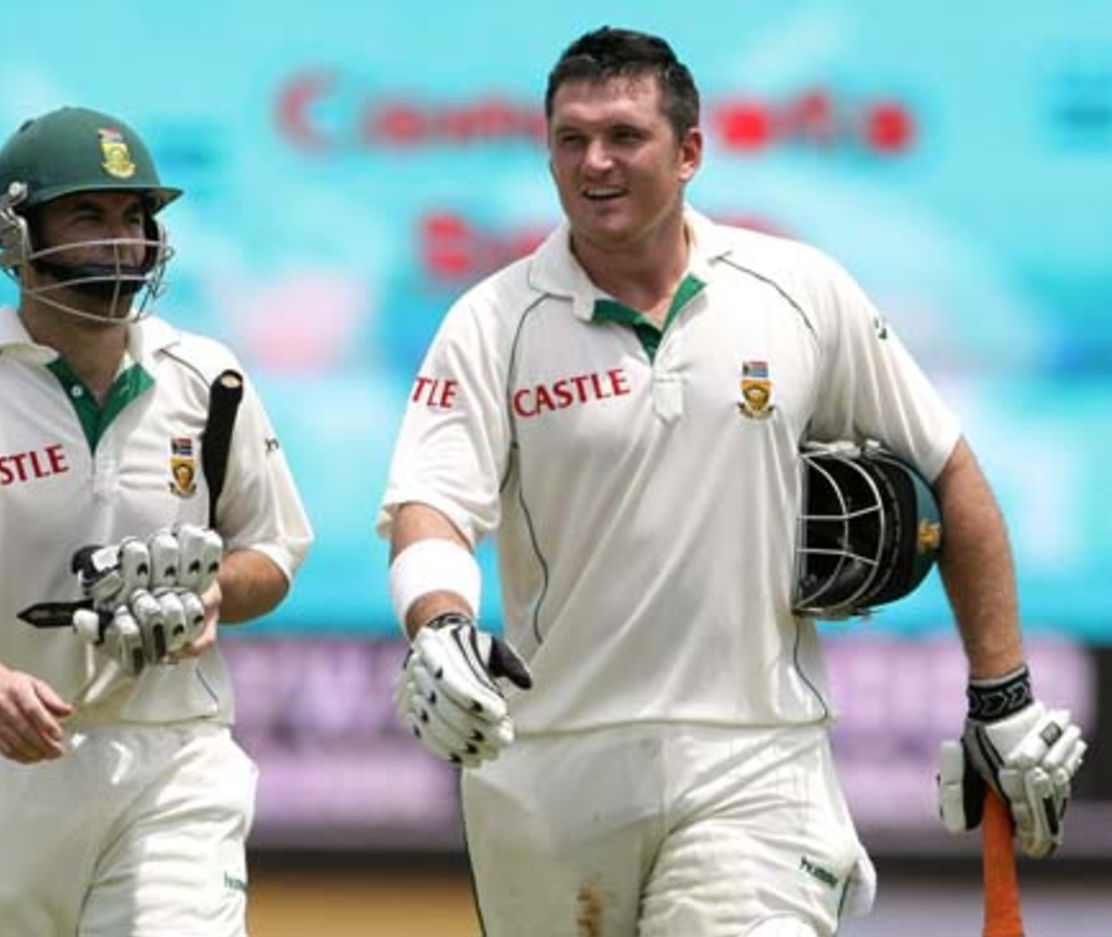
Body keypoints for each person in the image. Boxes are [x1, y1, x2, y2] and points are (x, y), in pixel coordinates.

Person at [380, 27, 1086, 937]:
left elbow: (950, 472)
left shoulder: (796, 290)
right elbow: (428, 505)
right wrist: (439, 623)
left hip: (754, 758)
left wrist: (1004, 695)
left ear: (689, 153)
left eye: (624, 136)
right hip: (550, 766)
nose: (594, 162)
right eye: (570, 138)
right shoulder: (490, 321)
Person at [0, 106, 312, 936]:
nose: (122, 241)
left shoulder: (209, 380)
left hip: (173, 752)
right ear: (14, 235)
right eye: (89, 215)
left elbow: (270, 550)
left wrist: (212, 598)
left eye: (134, 218)